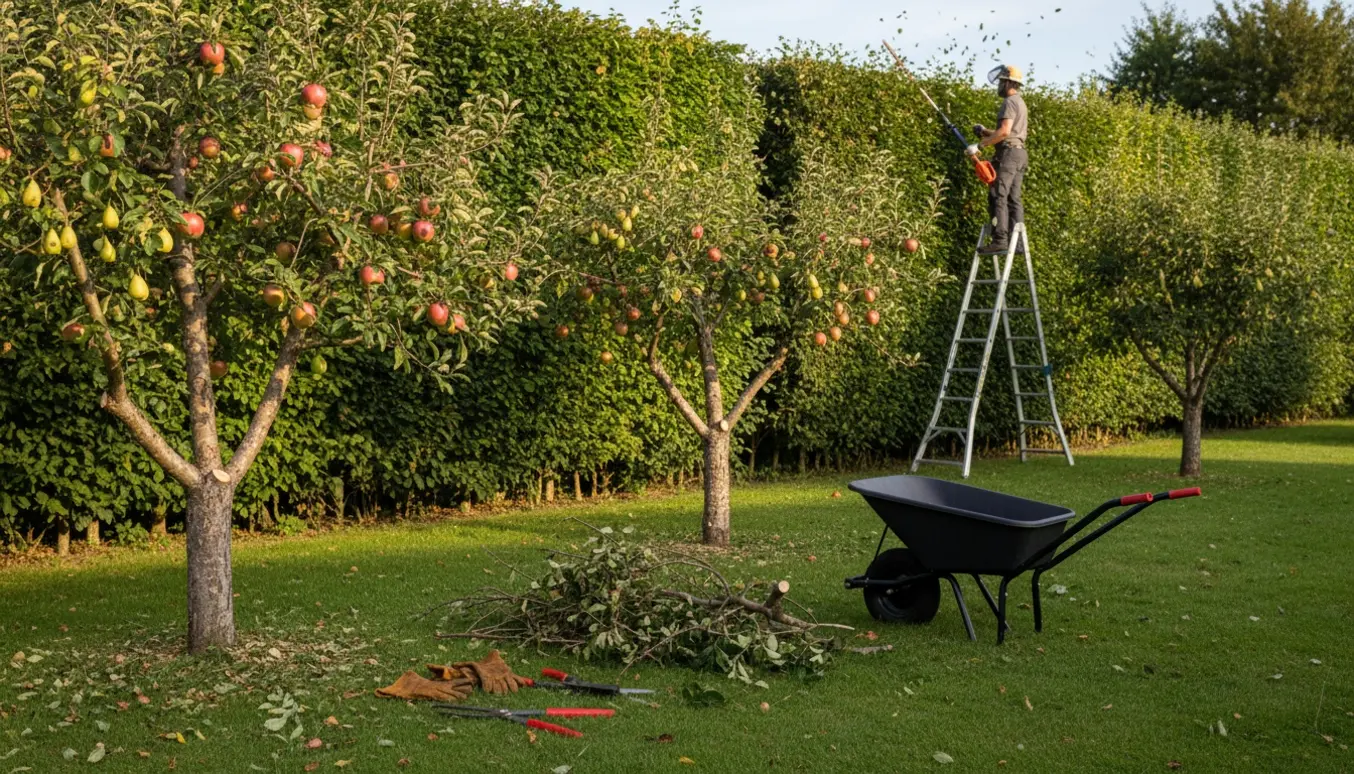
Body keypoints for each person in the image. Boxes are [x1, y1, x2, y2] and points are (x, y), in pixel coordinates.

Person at [966, 64, 1028, 255]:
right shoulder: (1020, 102)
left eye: (1001, 81)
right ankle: (1017, 243)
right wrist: (984, 132)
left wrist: (980, 146)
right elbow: (1010, 133)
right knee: (1013, 198)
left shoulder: (1009, 102)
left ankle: (1000, 239)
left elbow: (1005, 132)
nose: (998, 85)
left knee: (998, 194)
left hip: (1008, 155)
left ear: (1009, 82)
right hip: (1019, 153)